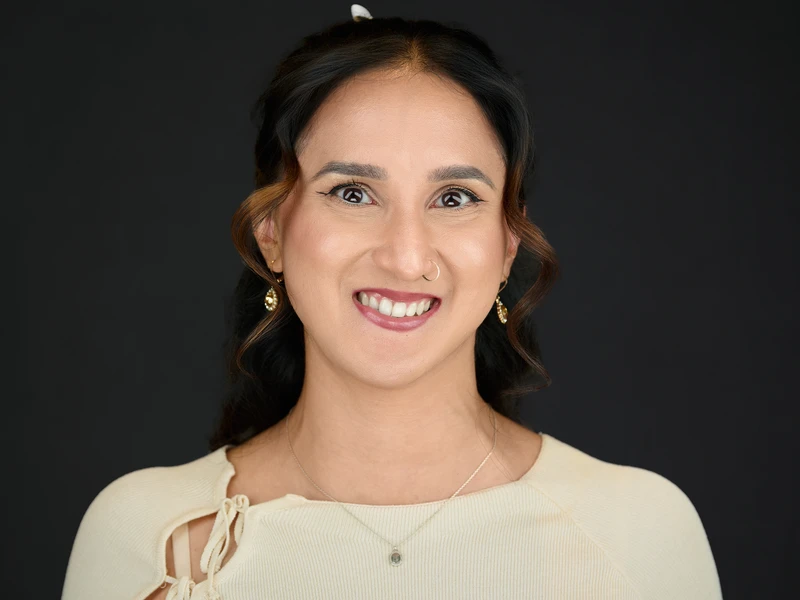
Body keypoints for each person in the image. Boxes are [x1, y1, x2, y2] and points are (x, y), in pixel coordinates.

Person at [62, 5, 723, 599]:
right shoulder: (151, 541)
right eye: (353, 193)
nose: (407, 256)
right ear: (273, 234)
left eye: (455, 198)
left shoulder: (638, 531)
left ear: (506, 246)